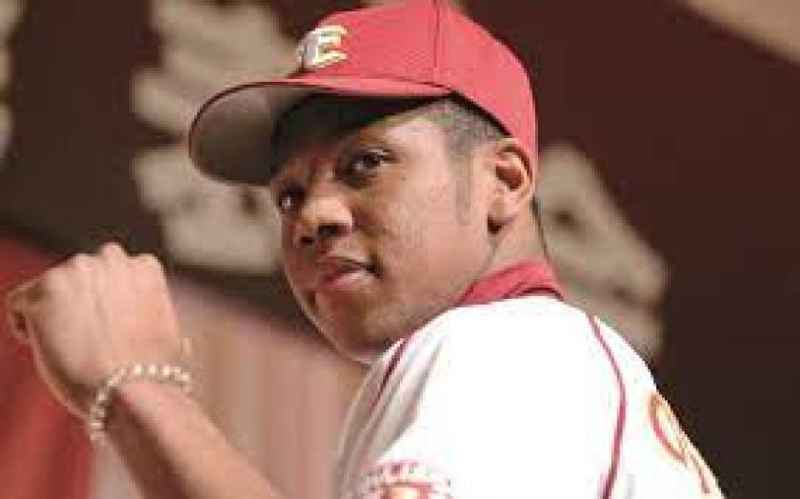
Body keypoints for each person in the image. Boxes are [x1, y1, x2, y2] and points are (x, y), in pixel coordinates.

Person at [5, 0, 724, 498]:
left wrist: (136, 385)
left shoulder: (508, 348)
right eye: (289, 196)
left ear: (503, 181)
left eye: (366, 164)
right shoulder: (549, 364)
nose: (312, 216)